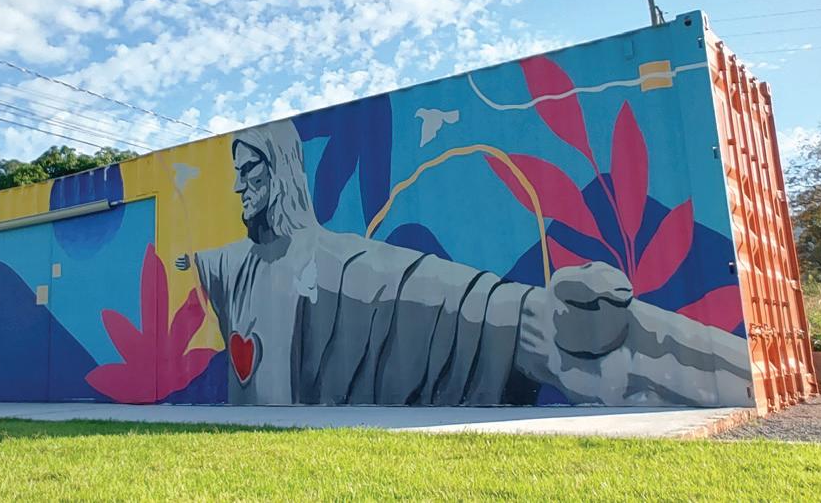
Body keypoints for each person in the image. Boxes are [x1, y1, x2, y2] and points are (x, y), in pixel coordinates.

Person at [176, 120, 752, 407]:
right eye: (235, 172)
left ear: (280, 171)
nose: (237, 186)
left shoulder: (334, 259)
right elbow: (199, 258)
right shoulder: (235, 264)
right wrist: (181, 260)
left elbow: (420, 291)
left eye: (249, 170)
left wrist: (533, 320)